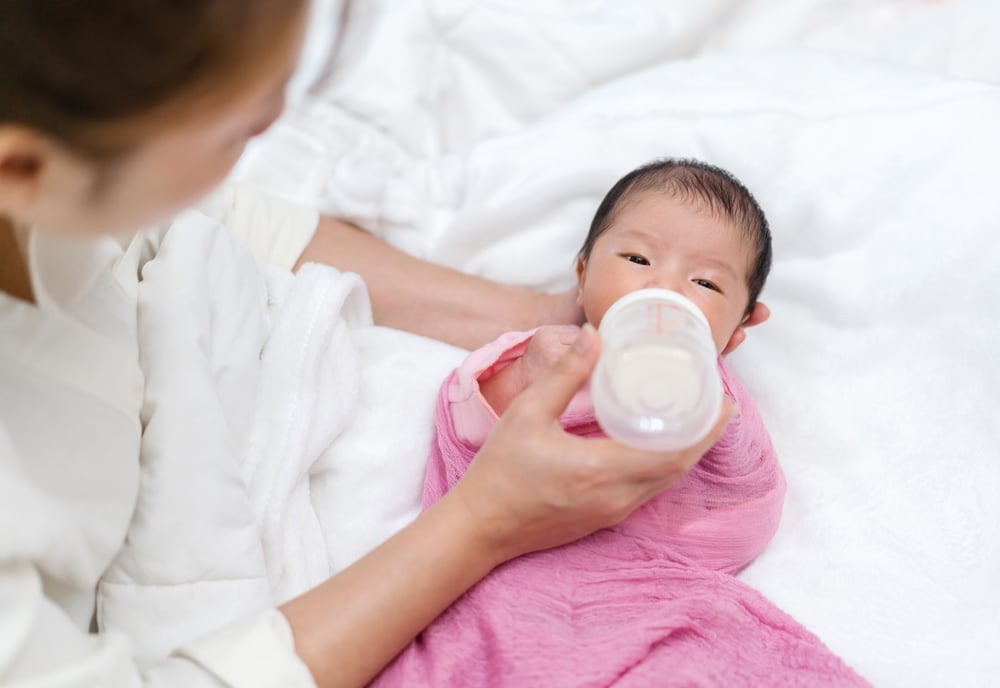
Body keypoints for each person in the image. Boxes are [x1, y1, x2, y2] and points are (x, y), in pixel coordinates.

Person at [0, 3, 743, 687]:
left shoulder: (72, 171)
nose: (276, 119)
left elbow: (218, 216)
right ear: (24, 169)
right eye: (235, 130)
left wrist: (547, 318)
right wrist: (484, 521)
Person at [368, 161, 863, 686]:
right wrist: (521, 381)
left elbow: (747, 519)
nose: (665, 287)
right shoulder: (546, 355)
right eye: (637, 258)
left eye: (704, 282)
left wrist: (717, 434)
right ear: (582, 277)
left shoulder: (719, 401)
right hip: (525, 565)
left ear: (738, 331)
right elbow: (465, 429)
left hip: (646, 589)